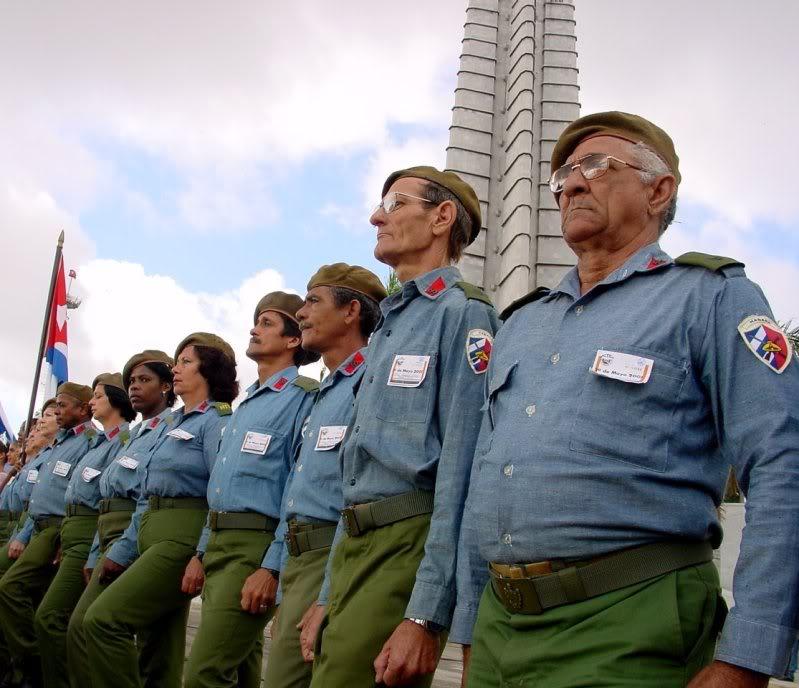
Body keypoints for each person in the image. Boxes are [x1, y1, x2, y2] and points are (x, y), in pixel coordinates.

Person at [454, 111, 799, 688]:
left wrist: (749, 656)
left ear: (658, 189)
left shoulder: (711, 298)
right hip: (499, 625)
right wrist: (468, 628)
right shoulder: (520, 324)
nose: (572, 183)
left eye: (596, 165)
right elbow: (485, 477)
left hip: (630, 620)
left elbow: (783, 464)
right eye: (562, 174)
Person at [308, 167, 499, 688]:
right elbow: (352, 477)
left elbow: (461, 470)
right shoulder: (392, 322)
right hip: (354, 542)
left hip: (406, 544)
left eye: (394, 202)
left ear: (441, 217)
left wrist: (426, 615)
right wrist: (327, 592)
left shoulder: (464, 316)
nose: (376, 215)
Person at [182, 292, 320, 688]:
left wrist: (271, 566)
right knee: (240, 672)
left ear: (293, 340)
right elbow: (220, 489)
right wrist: (202, 551)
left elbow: (297, 487)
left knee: (203, 673)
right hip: (220, 544)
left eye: (266, 323)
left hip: (254, 547)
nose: (254, 330)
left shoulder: (304, 399)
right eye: (255, 321)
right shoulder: (245, 407)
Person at [83, 333, 236, 688]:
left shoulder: (217, 420)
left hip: (181, 533)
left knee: (102, 620)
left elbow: (221, 491)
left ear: (208, 370)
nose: (176, 368)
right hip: (147, 529)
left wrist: (202, 551)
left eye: (185, 362)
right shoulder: (171, 425)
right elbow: (145, 495)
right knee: (159, 648)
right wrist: (121, 549)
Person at [262, 264, 387, 688]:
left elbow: (355, 494)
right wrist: (276, 568)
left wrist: (326, 592)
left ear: (351, 311)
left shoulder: (371, 380)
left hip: (332, 554)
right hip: (299, 558)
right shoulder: (324, 392)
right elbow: (297, 491)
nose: (301, 312)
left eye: (313, 300)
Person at [66, 350, 176, 688]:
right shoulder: (134, 437)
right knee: (87, 627)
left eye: (145, 380)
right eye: (131, 381)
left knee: (147, 642)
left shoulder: (174, 427)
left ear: (166, 387)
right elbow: (105, 499)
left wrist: (120, 548)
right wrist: (97, 550)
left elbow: (145, 494)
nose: (135, 387)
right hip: (113, 533)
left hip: (142, 533)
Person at [33, 374, 135, 688]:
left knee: (59, 618)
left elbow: (115, 499)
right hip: (77, 531)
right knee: (68, 621)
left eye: (98, 396)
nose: (92, 402)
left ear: (116, 400)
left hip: (100, 532)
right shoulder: (98, 444)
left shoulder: (124, 441)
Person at [0, 384, 97, 687]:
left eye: (62, 407)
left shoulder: (91, 442)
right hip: (37, 525)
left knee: (14, 589)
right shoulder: (60, 445)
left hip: (59, 528)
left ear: (83, 409)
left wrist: (65, 536)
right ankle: (24, 665)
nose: (54, 414)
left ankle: (33, 664)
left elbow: (81, 493)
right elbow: (39, 498)